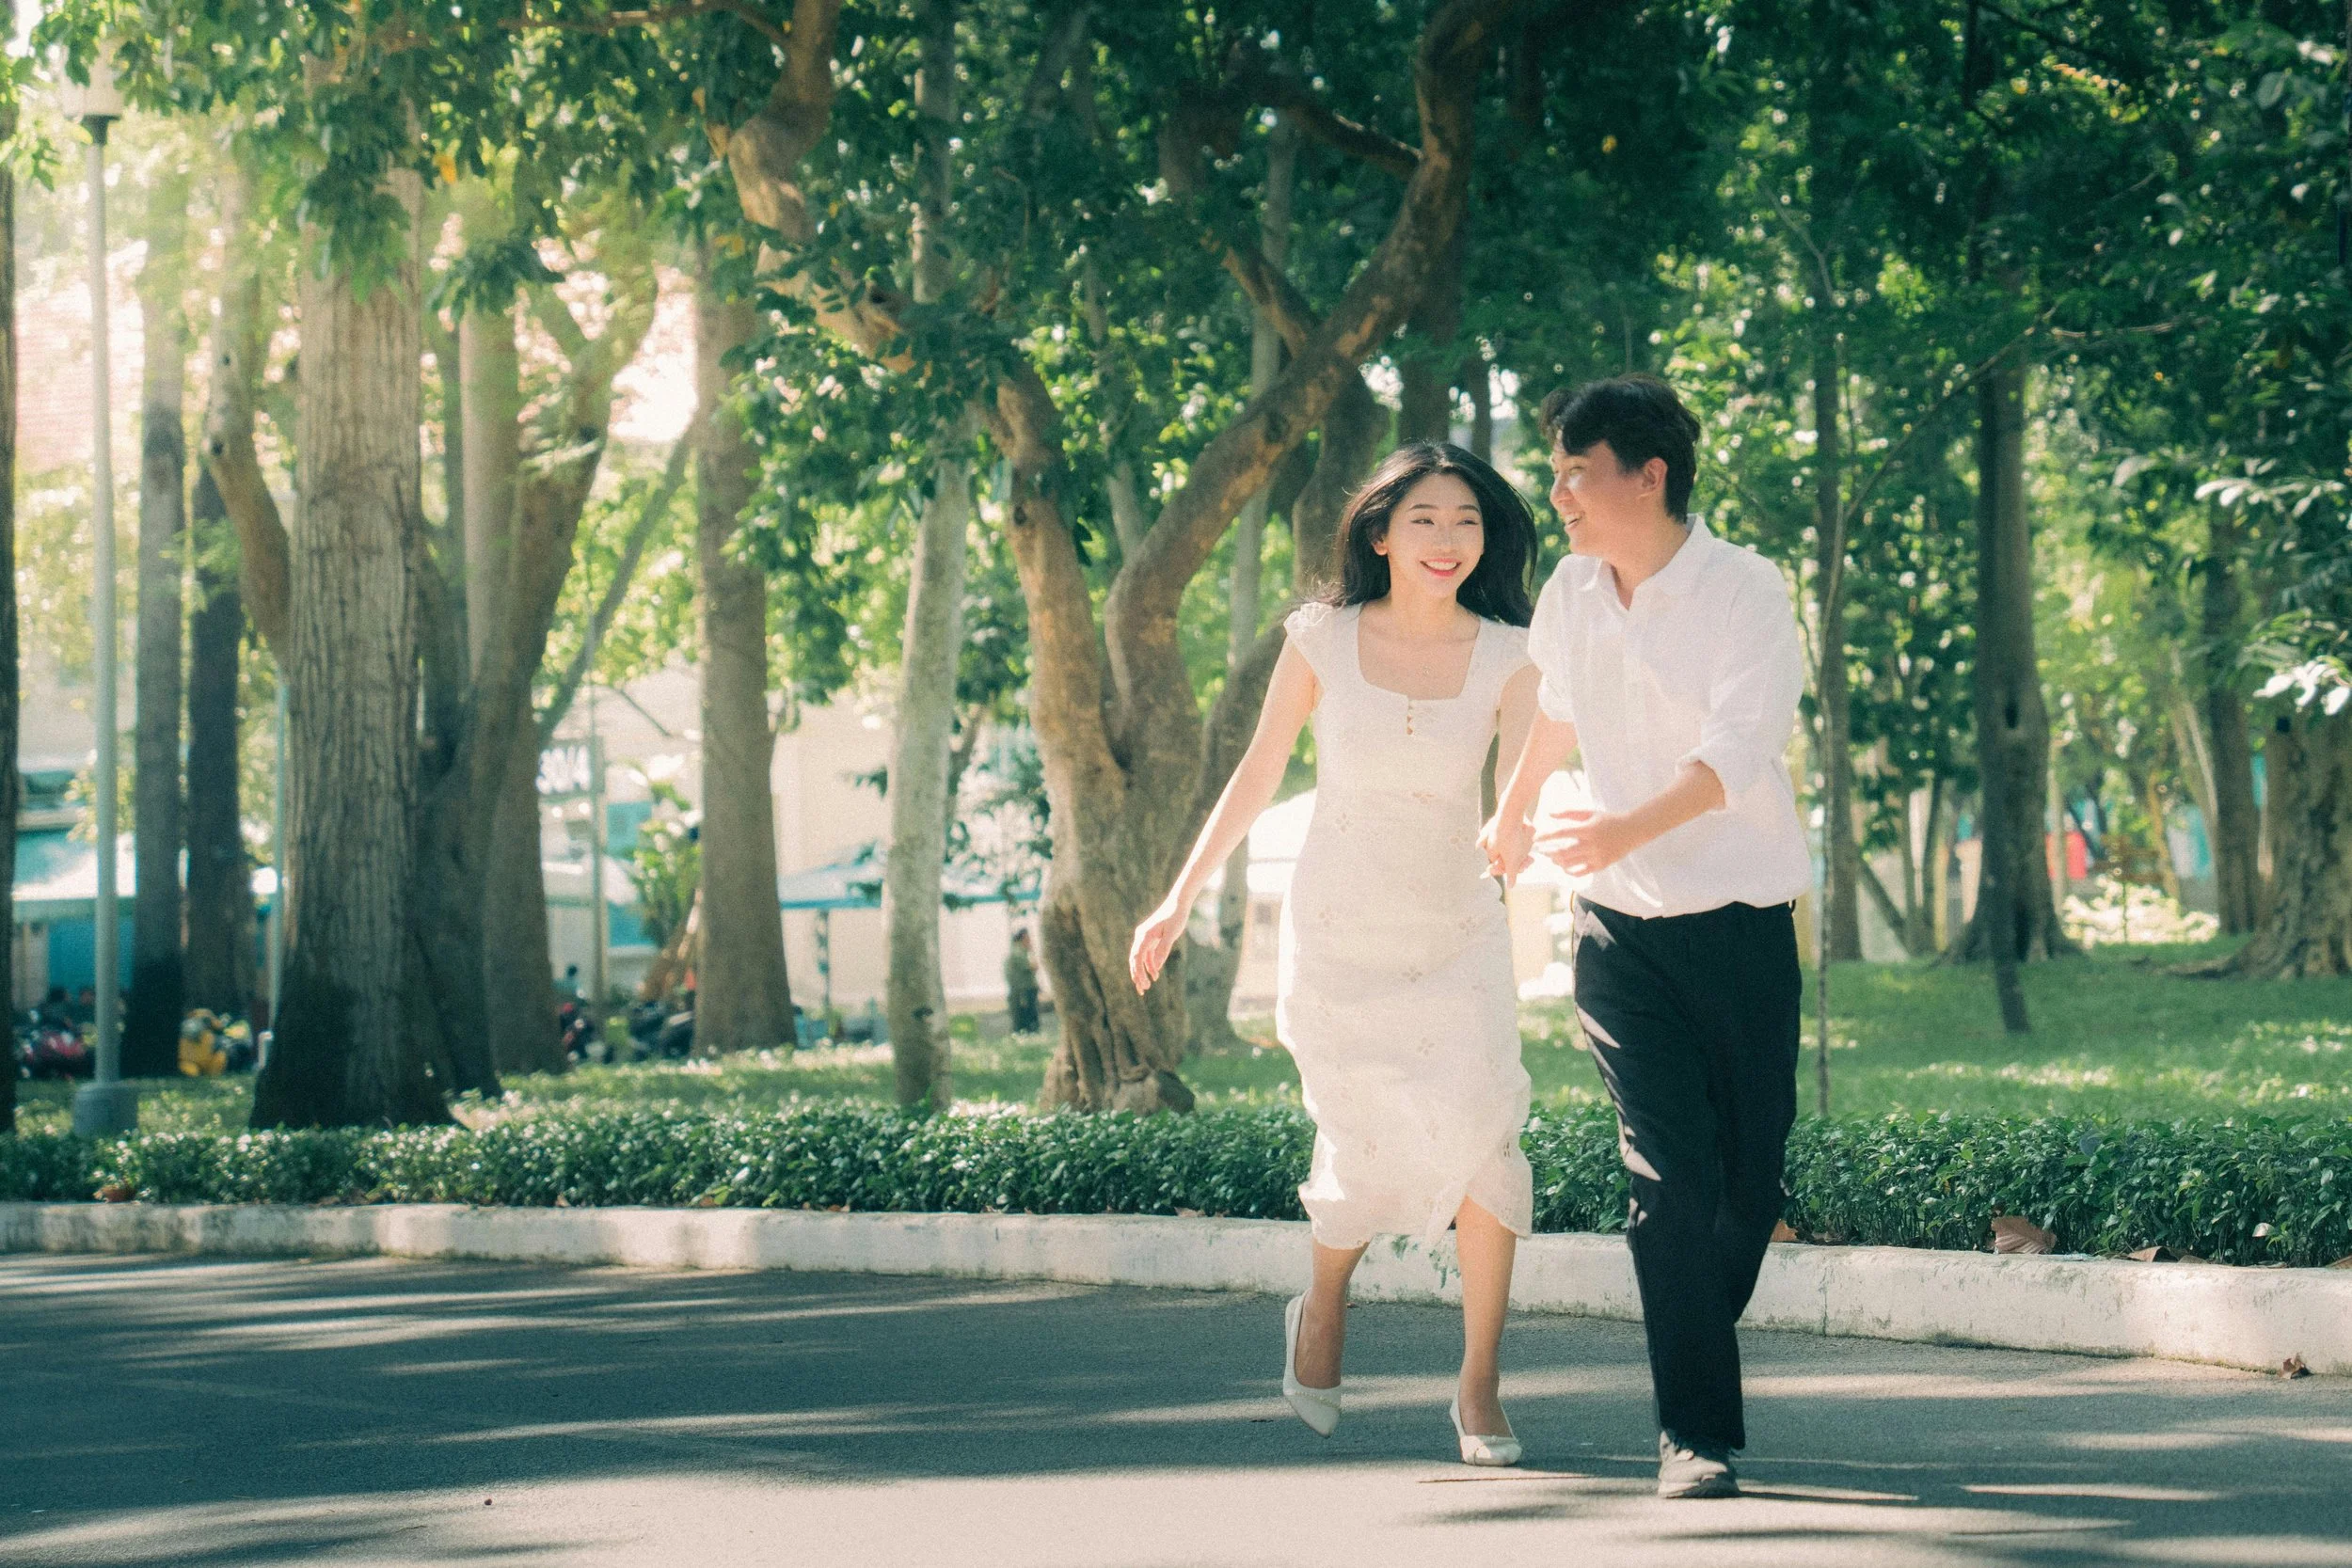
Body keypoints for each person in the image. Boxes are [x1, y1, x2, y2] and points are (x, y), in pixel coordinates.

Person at [1131, 442, 1542, 1467]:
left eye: (1466, 522)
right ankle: (1321, 1310)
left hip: (1459, 919)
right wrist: (1178, 897)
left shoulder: (1511, 652)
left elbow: (1524, 791)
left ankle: (1480, 1380)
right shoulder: (1319, 635)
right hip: (1342, 918)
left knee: (1487, 1133)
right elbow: (1258, 769)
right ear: (1378, 531)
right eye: (1424, 520)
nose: (1447, 541)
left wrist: (1518, 836)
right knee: (1358, 1137)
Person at [1481, 375, 1810, 1500]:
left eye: (1578, 470)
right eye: (1557, 471)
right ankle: (1695, 1433)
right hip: (1618, 928)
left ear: (1648, 474)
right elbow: (1558, 711)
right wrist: (1517, 807)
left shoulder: (1744, 590)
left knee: (1746, 1174)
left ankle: (1687, 1331)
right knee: (1665, 1178)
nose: (1559, 493)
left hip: (1738, 919)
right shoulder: (1573, 590)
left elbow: (1736, 753)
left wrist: (1619, 819)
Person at [1003, 929, 1041, 1035]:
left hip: (1025, 987)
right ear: (1023, 938)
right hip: (1024, 988)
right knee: (1028, 1012)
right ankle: (1028, 1031)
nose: (1030, 941)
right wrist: (1032, 952)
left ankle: (1028, 1031)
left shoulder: (1021, 952)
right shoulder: (1019, 952)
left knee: (1028, 1011)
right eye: (1028, 938)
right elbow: (1033, 966)